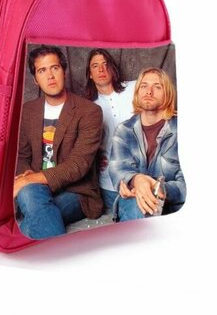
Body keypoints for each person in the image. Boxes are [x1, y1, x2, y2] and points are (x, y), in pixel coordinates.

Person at [14, 45, 104, 239]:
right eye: (42, 71)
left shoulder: (89, 111)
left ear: (64, 71)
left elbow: (78, 165)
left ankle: (35, 240)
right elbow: (21, 156)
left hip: (76, 192)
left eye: (54, 68)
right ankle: (59, 251)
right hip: (37, 188)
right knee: (33, 198)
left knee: (30, 201)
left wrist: (28, 180)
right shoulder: (28, 111)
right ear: (35, 79)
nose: (50, 76)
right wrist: (27, 175)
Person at [108, 67, 186, 221]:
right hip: (132, 202)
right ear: (137, 92)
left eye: (157, 87)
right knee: (138, 204)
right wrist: (136, 180)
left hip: (172, 208)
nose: (149, 92)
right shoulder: (124, 130)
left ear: (168, 93)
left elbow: (188, 184)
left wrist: (159, 188)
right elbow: (118, 169)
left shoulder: (182, 130)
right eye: (144, 86)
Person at [85, 49, 136, 212]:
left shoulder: (135, 88)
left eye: (105, 64)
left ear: (112, 68)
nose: (101, 69)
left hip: (144, 171)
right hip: (110, 183)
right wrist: (95, 157)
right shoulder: (87, 107)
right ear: (90, 74)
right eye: (95, 66)